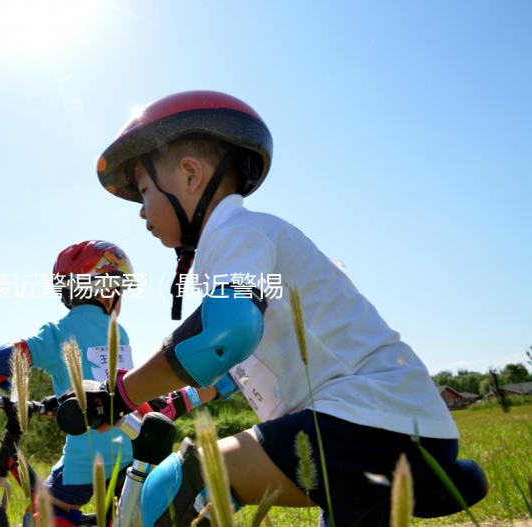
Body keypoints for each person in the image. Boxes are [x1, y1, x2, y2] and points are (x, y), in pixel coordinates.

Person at [54, 91, 468, 526]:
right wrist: (167, 398)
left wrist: (119, 395)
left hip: (366, 420)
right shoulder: (248, 245)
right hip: (398, 424)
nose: (141, 212)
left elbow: (223, 334)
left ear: (190, 175)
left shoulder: (236, 233)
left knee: (180, 482)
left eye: (143, 191)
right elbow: (232, 372)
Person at [0, 240, 212, 525]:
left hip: (87, 459)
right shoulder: (119, 332)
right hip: (133, 447)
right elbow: (102, 383)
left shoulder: (59, 333)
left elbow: (4, 359)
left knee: (42, 509)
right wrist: (58, 403)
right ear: (108, 292)